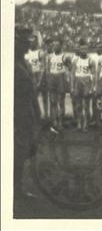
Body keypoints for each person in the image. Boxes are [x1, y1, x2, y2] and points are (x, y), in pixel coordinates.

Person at [14, 27, 42, 202]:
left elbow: (31, 92)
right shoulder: (11, 64)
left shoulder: (23, 63)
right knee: (16, 152)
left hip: (26, 115)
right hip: (16, 116)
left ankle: (17, 188)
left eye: (28, 42)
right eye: (23, 42)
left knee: (22, 152)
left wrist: (37, 114)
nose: (27, 45)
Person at [71, 41, 96, 132]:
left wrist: (93, 86)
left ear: (87, 50)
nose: (83, 51)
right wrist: (72, 86)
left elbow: (93, 74)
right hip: (78, 81)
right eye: (82, 49)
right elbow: (72, 74)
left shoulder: (90, 61)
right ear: (79, 49)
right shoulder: (75, 60)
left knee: (86, 105)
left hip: (86, 81)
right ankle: (78, 124)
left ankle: (85, 124)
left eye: (85, 49)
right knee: (78, 105)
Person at [46, 38, 71, 129]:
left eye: (57, 45)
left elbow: (70, 68)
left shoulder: (65, 56)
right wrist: (48, 80)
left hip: (61, 78)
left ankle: (60, 122)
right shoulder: (49, 56)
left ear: (61, 46)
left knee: (61, 102)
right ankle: (54, 122)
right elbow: (48, 69)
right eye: (54, 45)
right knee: (53, 102)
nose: (55, 46)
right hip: (52, 78)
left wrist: (67, 78)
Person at [24, 34, 46, 117]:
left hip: (39, 75)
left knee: (44, 97)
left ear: (36, 42)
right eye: (30, 42)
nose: (32, 44)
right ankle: (34, 115)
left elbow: (43, 66)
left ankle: (46, 115)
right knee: (32, 97)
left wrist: (40, 79)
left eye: (34, 42)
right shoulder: (26, 53)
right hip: (30, 76)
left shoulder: (40, 52)